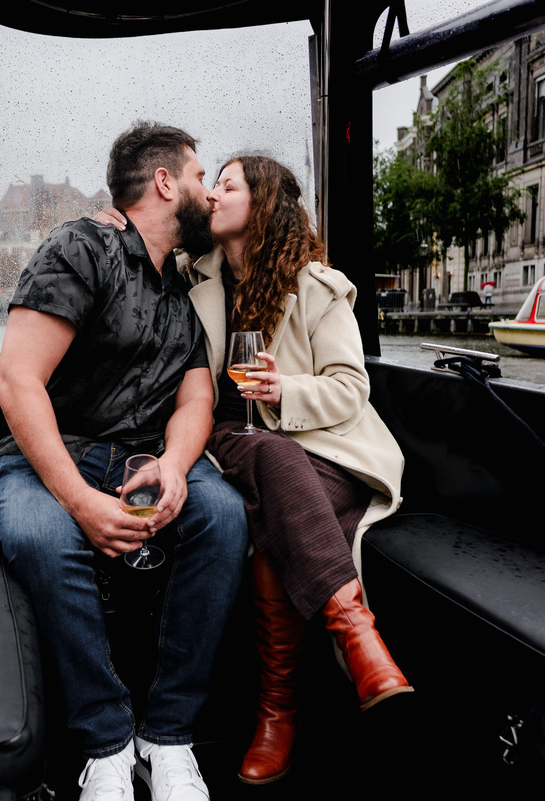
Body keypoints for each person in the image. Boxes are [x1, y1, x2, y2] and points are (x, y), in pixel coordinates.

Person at [100, 153, 409, 785]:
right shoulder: (197, 275)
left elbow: (351, 389)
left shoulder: (321, 287)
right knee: (266, 455)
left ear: (262, 203)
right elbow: (152, 242)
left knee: (270, 520)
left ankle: (278, 713)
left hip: (330, 450)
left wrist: (284, 391)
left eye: (228, 185)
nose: (211, 195)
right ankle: (356, 634)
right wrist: (118, 226)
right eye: (211, 183)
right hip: (236, 443)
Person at [0, 122, 248, 801]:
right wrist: (78, 500)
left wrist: (178, 464)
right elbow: (17, 382)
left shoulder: (179, 297)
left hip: (140, 459)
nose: (207, 195)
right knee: (44, 535)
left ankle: (168, 736)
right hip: (42, 458)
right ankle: (105, 742)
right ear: (165, 183)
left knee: (221, 514)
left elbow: (195, 400)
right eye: (198, 178)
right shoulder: (81, 247)